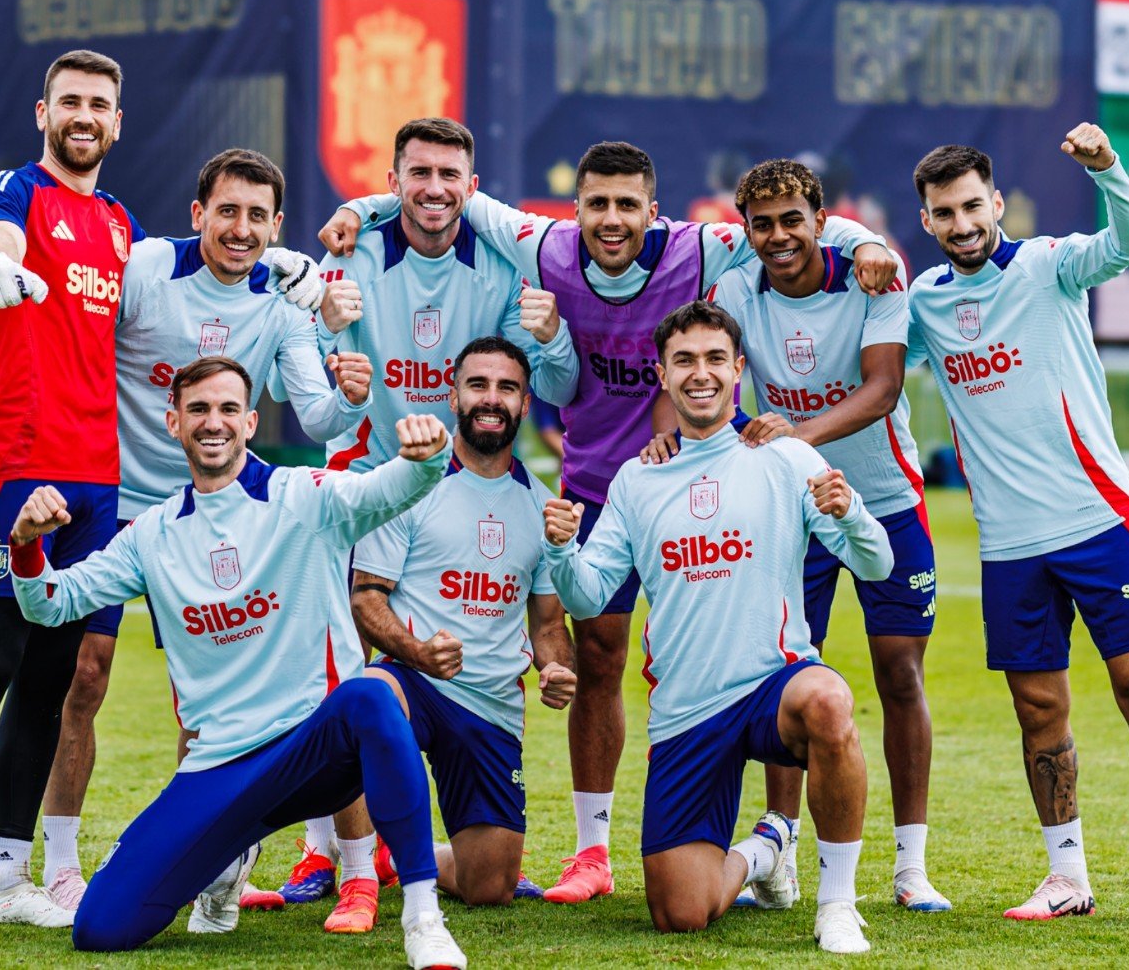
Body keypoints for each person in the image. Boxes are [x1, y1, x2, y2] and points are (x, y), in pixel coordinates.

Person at [322, 140, 899, 903]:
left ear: (653, 211)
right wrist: (355, 209)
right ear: (576, 209)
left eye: (628, 204)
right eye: (597, 203)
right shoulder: (544, 243)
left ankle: (776, 839)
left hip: (697, 468)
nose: (612, 218)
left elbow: (790, 227)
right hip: (598, 484)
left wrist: (870, 243)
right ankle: (592, 851)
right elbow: (442, 193)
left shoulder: (702, 247)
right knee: (595, 655)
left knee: (755, 649)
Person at [0, 147, 345, 914]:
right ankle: (60, 863)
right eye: (225, 211)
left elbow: (323, 414)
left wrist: (350, 380)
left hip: (221, 508)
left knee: (212, 696)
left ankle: (216, 855)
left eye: (257, 216)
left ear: (276, 226)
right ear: (197, 215)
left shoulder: (285, 301)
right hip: (117, 498)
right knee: (82, 676)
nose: (239, 229)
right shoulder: (145, 266)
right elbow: (65, 324)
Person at [4, 356, 467, 968]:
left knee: (373, 694)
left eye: (227, 409)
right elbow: (52, 604)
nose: (213, 423)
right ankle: (227, 858)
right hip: (217, 766)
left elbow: (394, 486)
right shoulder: (152, 534)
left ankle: (422, 915)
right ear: (173, 423)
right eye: (198, 410)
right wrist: (26, 545)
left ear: (250, 422)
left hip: (313, 748)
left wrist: (428, 453)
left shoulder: (304, 495)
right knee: (101, 927)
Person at [903, 124, 1129, 931]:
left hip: (1100, 518)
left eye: (973, 205)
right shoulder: (924, 301)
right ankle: (1066, 873)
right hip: (1008, 544)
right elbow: (866, 364)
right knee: (1040, 710)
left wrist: (1108, 169)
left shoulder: (1049, 264)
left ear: (996, 203)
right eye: (944, 212)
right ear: (926, 221)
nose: (962, 222)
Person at [293, 116, 580, 927]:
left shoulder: (502, 264)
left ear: (472, 187)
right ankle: (341, 863)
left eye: (449, 175)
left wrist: (551, 333)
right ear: (392, 182)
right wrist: (325, 325)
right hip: (376, 488)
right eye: (417, 173)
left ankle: (387, 851)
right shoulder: (348, 258)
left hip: (474, 479)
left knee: (487, 870)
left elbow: (557, 379)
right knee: (350, 672)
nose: (433, 189)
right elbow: (315, 390)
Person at [542, 301, 889, 953]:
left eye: (712, 359)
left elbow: (878, 562)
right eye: (683, 361)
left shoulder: (785, 457)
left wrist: (850, 516)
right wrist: (561, 551)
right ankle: (765, 849)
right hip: (686, 712)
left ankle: (837, 904)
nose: (699, 374)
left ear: (737, 368)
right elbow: (588, 596)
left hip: (770, 686)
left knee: (829, 698)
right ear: (663, 374)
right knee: (681, 912)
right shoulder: (638, 479)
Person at [0, 49, 143, 944]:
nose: (85, 116)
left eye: (101, 104)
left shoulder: (121, 222)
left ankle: (10, 875)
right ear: (42, 111)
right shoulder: (7, 189)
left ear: (118, 123)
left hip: (97, 476)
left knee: (52, 680)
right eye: (71, 101)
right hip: (12, 463)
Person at [693, 158, 949, 913]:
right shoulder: (736, 288)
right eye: (762, 224)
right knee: (789, 680)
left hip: (888, 501)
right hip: (790, 511)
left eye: (792, 221)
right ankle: (781, 859)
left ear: (820, 220)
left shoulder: (872, 275)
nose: (778, 236)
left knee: (899, 676)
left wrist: (792, 436)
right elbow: (712, 371)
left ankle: (912, 866)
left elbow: (881, 390)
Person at [353, 336, 576, 907]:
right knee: (370, 696)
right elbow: (366, 599)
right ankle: (356, 864)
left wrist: (556, 669)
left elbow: (548, 626)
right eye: (478, 384)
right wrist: (417, 651)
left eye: (507, 388)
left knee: (490, 887)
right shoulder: (409, 483)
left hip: (491, 705)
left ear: (526, 405)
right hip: (415, 681)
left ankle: (403, 855)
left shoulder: (541, 506)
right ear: (454, 396)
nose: (491, 398)